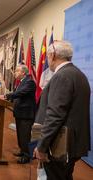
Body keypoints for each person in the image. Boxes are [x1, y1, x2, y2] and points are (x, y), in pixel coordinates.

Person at [34, 40, 90, 180]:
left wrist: (41, 146)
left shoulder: (62, 76)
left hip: (59, 145)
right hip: (71, 144)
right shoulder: (79, 75)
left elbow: (55, 115)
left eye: (47, 56)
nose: (47, 59)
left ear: (52, 55)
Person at [5, 64, 36, 164]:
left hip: (26, 114)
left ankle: (27, 156)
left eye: (17, 71)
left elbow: (21, 93)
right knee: (20, 134)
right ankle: (22, 151)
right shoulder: (21, 82)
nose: (15, 72)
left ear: (23, 72)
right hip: (20, 113)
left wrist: (8, 95)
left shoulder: (29, 82)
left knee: (25, 135)